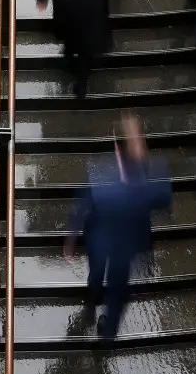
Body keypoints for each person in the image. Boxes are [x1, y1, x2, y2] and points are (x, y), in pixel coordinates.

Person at [64, 115, 172, 342]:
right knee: (104, 280)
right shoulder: (107, 174)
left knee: (113, 287)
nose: (139, 146)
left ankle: (105, 323)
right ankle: (98, 306)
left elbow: (82, 208)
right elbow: (82, 205)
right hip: (112, 242)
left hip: (118, 244)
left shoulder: (106, 175)